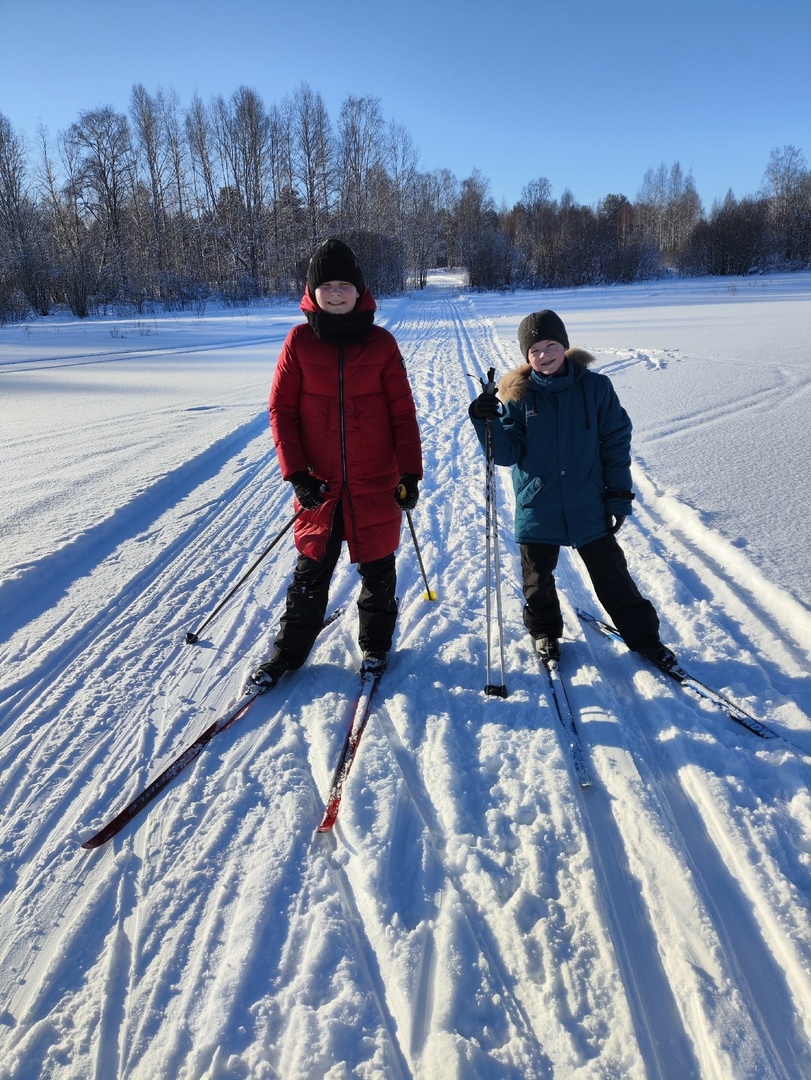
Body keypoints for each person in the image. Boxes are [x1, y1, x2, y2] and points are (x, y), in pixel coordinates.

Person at [251, 238, 423, 689]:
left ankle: (375, 649)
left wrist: (409, 473)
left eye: (344, 284)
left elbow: (403, 414)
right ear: (314, 291)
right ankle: (287, 655)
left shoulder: (383, 345)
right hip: (320, 487)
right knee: (310, 574)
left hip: (375, 483)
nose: (335, 293)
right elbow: (281, 411)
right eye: (326, 285)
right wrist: (296, 474)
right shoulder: (299, 342)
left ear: (359, 289)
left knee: (378, 573)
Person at [469, 308, 676, 668]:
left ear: (564, 346)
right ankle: (545, 633)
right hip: (537, 501)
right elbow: (506, 453)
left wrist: (619, 494)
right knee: (537, 579)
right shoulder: (518, 396)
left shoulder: (595, 388)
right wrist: (485, 420)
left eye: (551, 345)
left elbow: (615, 441)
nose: (543, 355)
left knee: (613, 575)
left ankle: (645, 638)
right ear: (526, 356)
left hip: (587, 500)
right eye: (534, 350)